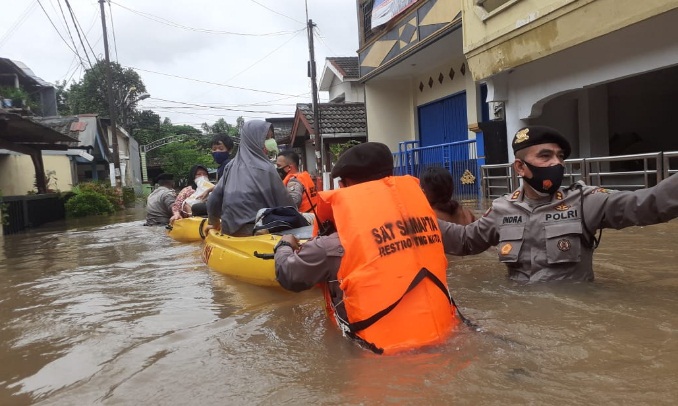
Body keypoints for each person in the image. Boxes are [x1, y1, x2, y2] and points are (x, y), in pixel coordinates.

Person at [274, 142, 461, 355]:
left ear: (347, 184)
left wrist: (285, 245)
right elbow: (467, 240)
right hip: (445, 341)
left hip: (376, 357)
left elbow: (288, 275)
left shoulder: (332, 245)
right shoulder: (427, 225)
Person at [438, 125, 678, 282]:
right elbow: (466, 241)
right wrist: (412, 218)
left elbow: (649, 204)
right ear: (520, 167)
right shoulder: (502, 208)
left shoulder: (586, 201)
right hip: (522, 318)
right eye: (545, 156)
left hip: (575, 322)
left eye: (560, 156)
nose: (557, 163)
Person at [207, 120, 294, 236]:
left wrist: (214, 222)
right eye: (266, 138)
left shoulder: (229, 166)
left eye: (271, 138)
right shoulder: (267, 168)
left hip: (229, 230)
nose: (270, 142)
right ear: (254, 141)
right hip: (256, 230)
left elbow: (214, 199)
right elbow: (287, 206)